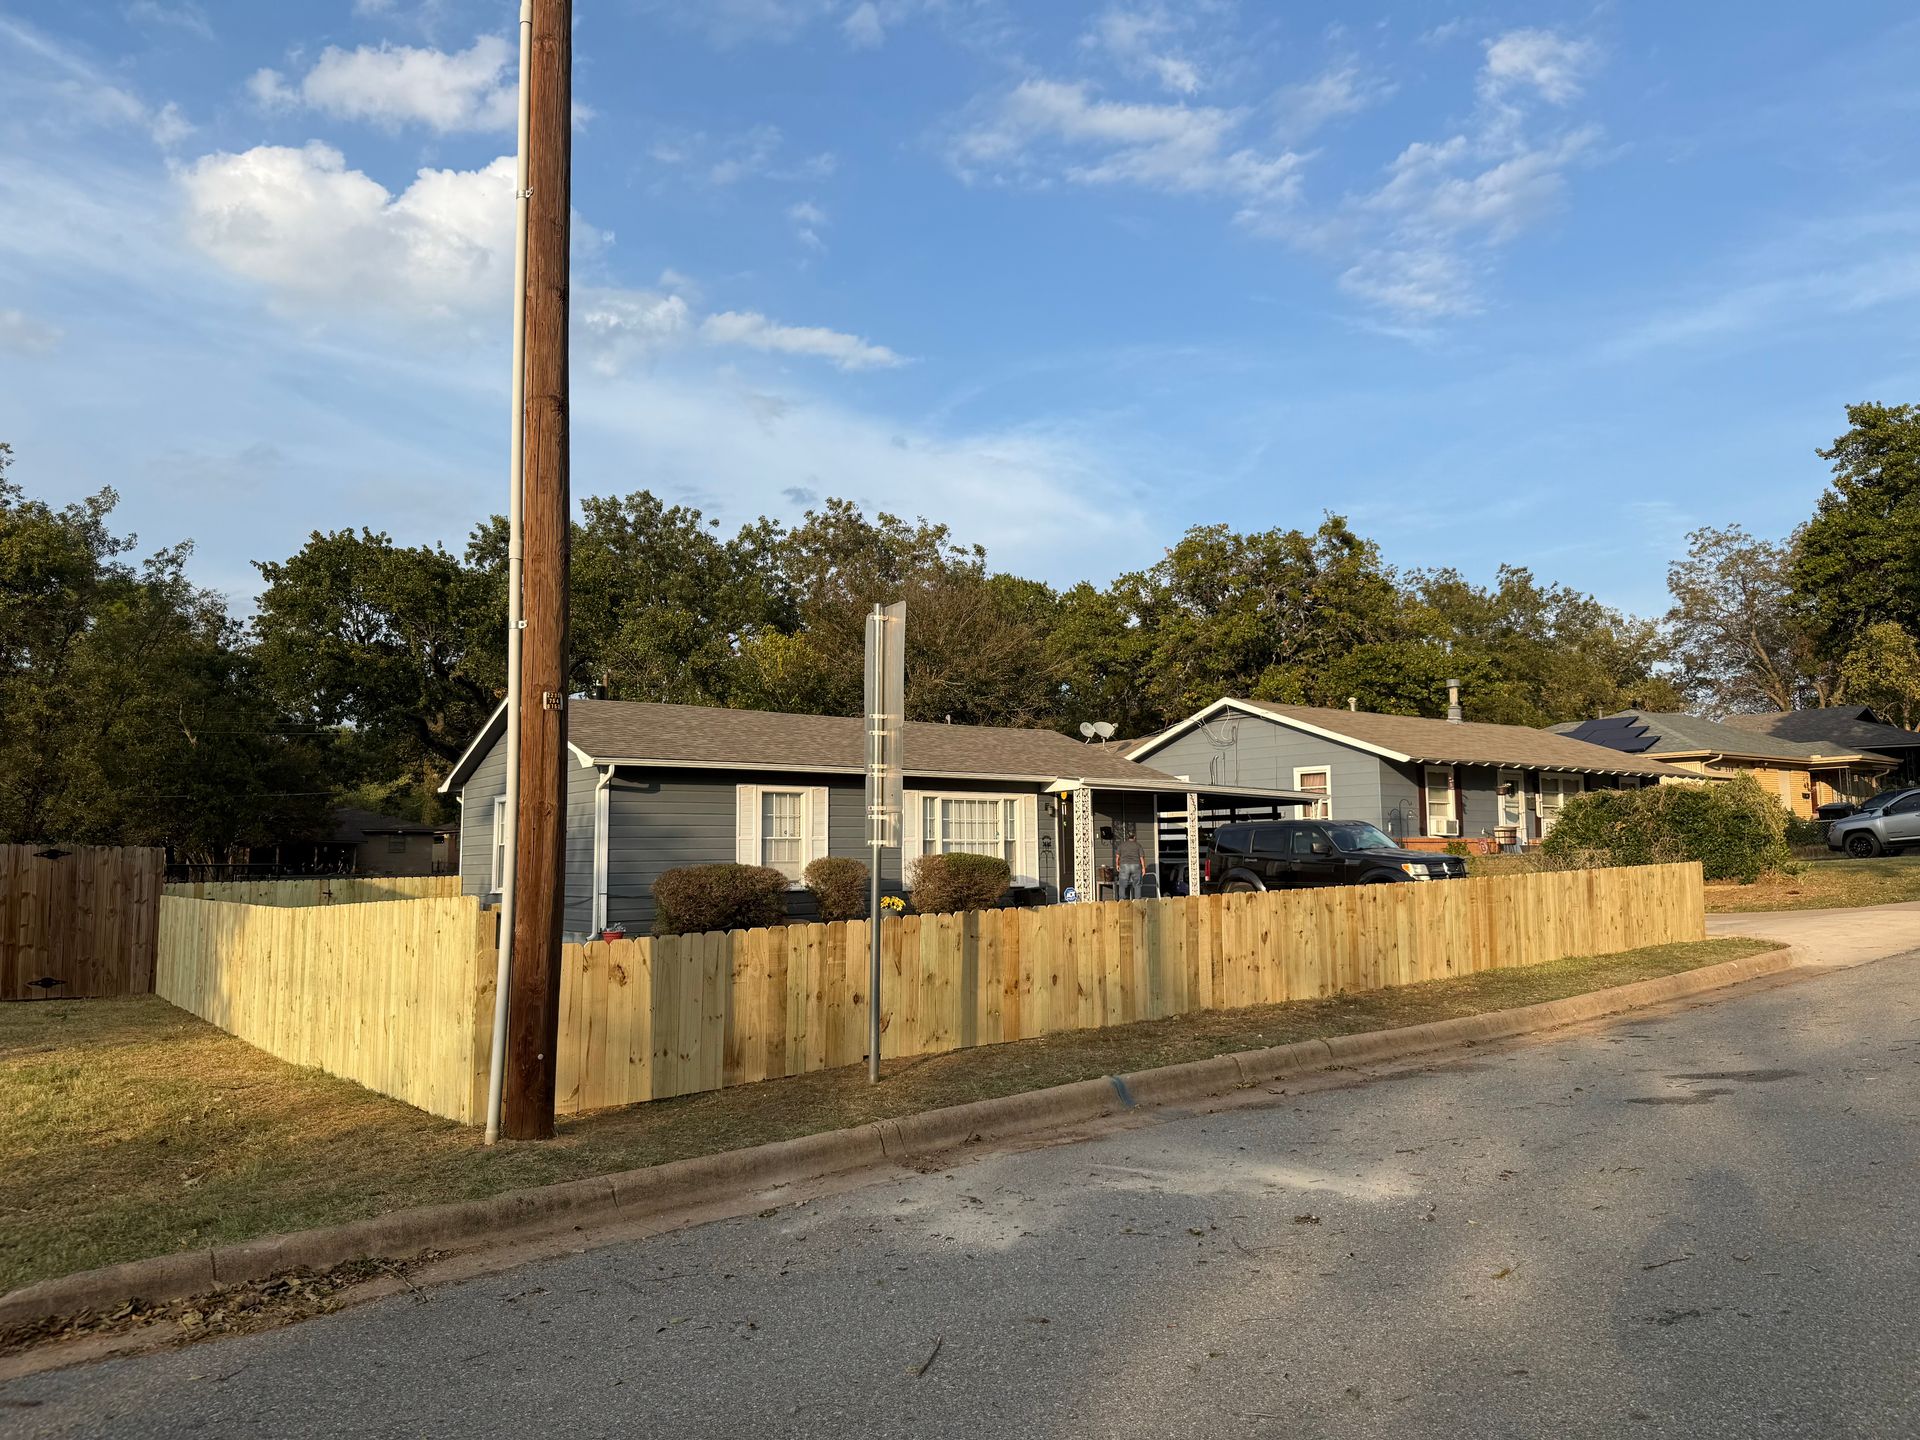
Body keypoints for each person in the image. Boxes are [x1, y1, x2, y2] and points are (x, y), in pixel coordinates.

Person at [1114, 823, 1150, 900]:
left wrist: (1117, 865)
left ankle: (1122, 901)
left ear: (1127, 838)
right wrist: (1143, 868)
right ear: (1134, 837)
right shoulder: (1138, 845)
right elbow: (1141, 857)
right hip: (1136, 865)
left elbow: (1117, 857)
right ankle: (1137, 900)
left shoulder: (1121, 845)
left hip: (1124, 865)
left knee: (1123, 884)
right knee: (1137, 885)